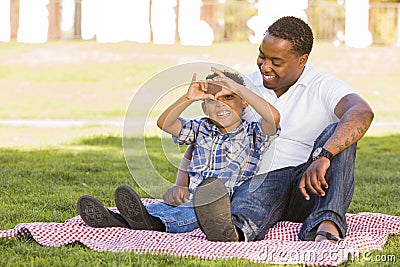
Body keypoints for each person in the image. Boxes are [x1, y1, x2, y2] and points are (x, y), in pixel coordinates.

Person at [163, 16, 374, 243]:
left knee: (339, 132)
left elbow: (361, 113)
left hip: (310, 186)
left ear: (302, 60)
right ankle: (232, 231)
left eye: (276, 61)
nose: (265, 66)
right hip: (259, 185)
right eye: (262, 56)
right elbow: (208, 133)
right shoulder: (244, 88)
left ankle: (327, 225)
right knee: (256, 192)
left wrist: (324, 155)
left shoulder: (323, 85)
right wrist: (181, 184)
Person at [77, 70, 280, 239]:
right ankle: (117, 220)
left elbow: (273, 117)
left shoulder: (253, 133)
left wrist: (239, 88)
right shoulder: (201, 128)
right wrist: (188, 97)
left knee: (190, 212)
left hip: (220, 205)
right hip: (191, 196)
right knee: (162, 207)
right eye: (211, 100)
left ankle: (154, 225)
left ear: (244, 102)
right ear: (203, 106)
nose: (220, 105)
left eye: (229, 97)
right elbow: (165, 123)